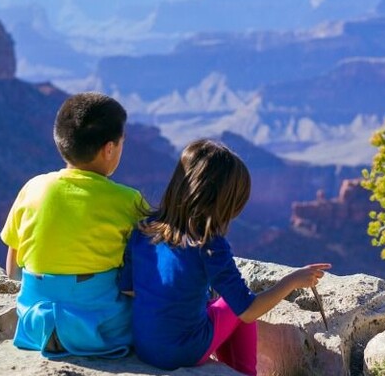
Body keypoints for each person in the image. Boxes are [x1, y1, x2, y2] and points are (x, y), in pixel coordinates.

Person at [120, 138, 330, 376]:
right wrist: (293, 280)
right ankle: (244, 372)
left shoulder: (144, 228)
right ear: (223, 201)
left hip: (144, 347)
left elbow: (129, 289)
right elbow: (248, 310)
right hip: (183, 352)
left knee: (217, 305)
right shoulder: (209, 244)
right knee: (236, 304)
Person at [0, 92, 147, 359]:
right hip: (101, 331)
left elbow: (12, 267)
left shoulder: (33, 188)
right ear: (109, 149)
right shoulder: (129, 200)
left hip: (35, 326)